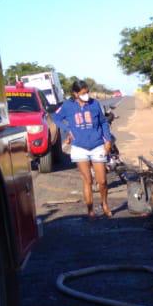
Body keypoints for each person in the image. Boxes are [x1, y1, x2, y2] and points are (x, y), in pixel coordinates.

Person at [53, 80, 114, 218]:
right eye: (83, 93)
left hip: (97, 145)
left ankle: (104, 204)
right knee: (87, 180)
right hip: (79, 147)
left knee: (102, 181)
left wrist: (108, 140)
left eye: (87, 92)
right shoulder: (68, 106)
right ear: (75, 94)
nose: (86, 95)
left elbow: (103, 122)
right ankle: (90, 210)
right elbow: (56, 117)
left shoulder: (94, 104)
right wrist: (68, 129)